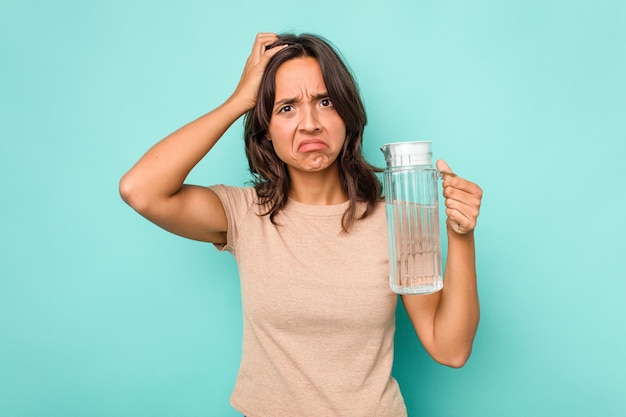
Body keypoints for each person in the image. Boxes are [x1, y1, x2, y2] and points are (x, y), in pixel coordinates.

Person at [119, 32, 483, 417]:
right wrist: (239, 100)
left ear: (347, 114)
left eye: (325, 102)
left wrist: (461, 235)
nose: (309, 123)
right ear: (265, 129)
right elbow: (139, 190)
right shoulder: (244, 214)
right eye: (287, 107)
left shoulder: (396, 220)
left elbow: (451, 348)